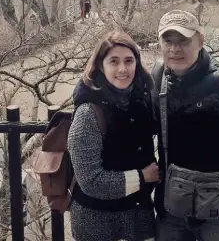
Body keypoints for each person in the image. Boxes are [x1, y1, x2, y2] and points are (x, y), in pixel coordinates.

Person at [152, 10, 219, 241]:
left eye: (183, 41)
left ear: (200, 40)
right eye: (168, 41)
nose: (175, 48)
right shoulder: (158, 76)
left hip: (217, 206)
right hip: (172, 204)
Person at [68, 31, 160, 241]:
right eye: (114, 61)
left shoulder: (142, 102)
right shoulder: (89, 113)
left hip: (138, 216)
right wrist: (143, 177)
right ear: (101, 66)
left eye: (129, 61)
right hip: (97, 222)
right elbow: (90, 181)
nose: (122, 69)